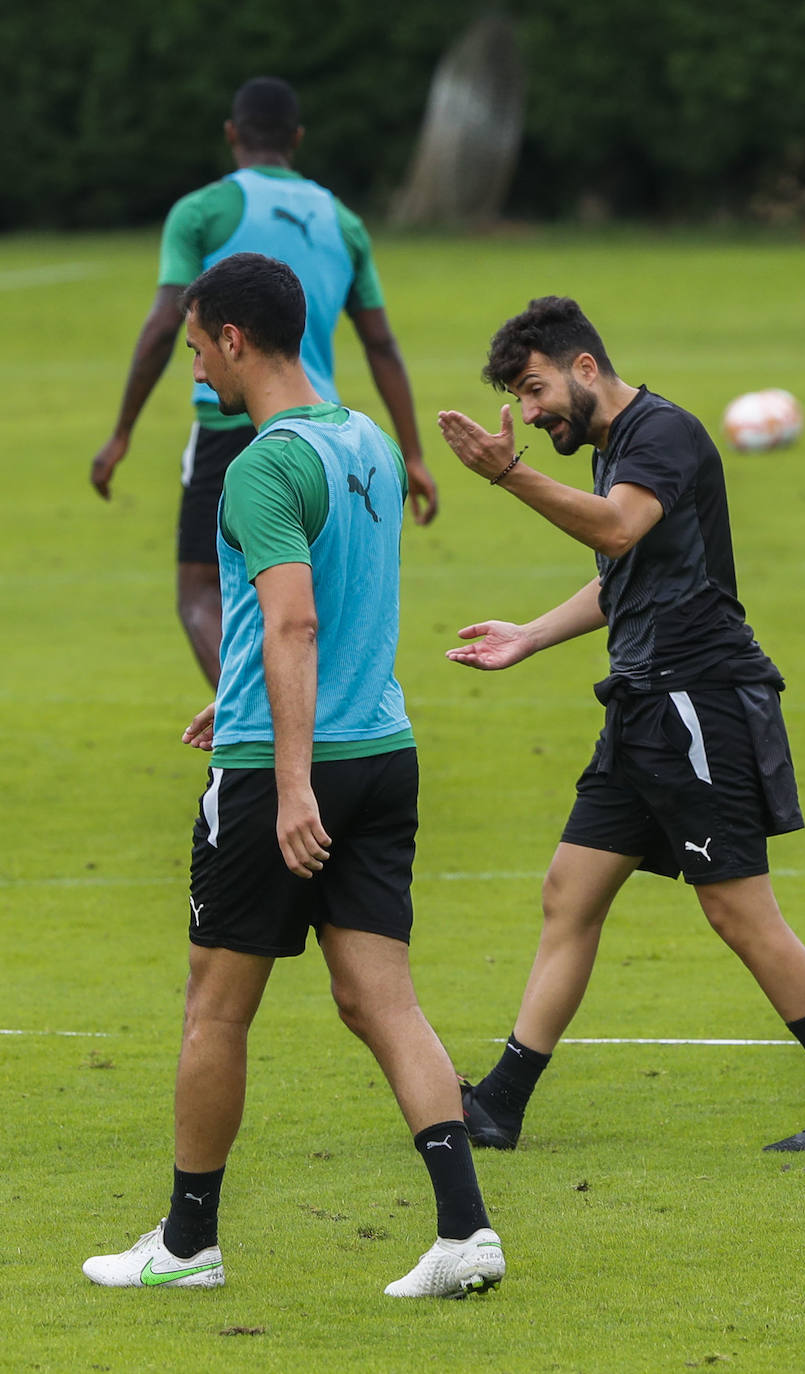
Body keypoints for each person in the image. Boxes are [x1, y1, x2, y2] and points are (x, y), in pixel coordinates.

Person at [82, 253, 504, 1299]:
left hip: (290, 774)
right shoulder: (360, 439)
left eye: (196, 350)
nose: (195, 374)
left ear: (234, 338)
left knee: (214, 1010)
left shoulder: (260, 465)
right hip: (384, 754)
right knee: (380, 1000)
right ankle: (465, 1233)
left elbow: (296, 618)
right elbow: (333, 611)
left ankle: (186, 1246)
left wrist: (290, 778)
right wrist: (235, 693)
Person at [437, 295, 805, 1155]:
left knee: (737, 910)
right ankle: (499, 1104)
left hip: (697, 699)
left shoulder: (660, 434)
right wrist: (531, 635)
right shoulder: (620, 449)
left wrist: (505, 474)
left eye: (534, 391)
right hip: (644, 702)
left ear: (584, 367)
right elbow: (623, 574)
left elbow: (616, 529)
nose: (531, 414)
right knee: (569, 894)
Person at [89, 76, 437, 688]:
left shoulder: (201, 212)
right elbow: (381, 343)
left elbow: (159, 329)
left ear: (231, 134)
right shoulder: (344, 221)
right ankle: (321, 728)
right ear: (297, 139)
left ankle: (256, 723)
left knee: (200, 591)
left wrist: (121, 433)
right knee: (315, 596)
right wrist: (412, 453)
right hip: (327, 436)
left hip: (232, 426)